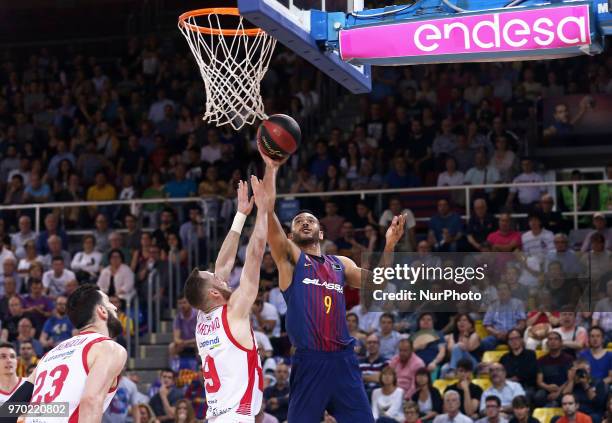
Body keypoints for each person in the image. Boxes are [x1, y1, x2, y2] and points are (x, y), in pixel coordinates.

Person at [260, 149, 406, 423]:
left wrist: (389, 246)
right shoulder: (290, 260)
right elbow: (268, 212)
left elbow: (378, 283)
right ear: (290, 235)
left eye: (310, 220)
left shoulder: (340, 263)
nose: (305, 222)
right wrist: (272, 168)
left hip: (343, 362)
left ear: (321, 232)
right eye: (298, 221)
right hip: (310, 362)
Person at [184, 178, 268, 422]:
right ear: (213, 293)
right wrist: (263, 212)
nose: (221, 277)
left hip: (217, 415)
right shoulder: (234, 312)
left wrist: (240, 215)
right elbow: (254, 255)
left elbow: (223, 264)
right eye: (215, 279)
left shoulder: (203, 316)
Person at [15, 284, 127, 422]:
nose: (115, 308)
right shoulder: (107, 347)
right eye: (110, 303)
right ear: (102, 311)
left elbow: (10, 408)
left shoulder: (49, 355)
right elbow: (91, 401)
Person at [535, 332, 574, 407]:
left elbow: (570, 379)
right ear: (547, 343)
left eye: (556, 339)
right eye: (550, 339)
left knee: (562, 398)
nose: (553, 341)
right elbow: (539, 381)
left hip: (563, 389)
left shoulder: (569, 359)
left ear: (561, 342)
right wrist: (547, 387)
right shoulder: (541, 360)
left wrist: (558, 392)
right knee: (538, 396)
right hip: (547, 389)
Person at [562, 359, 607, 423]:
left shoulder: (598, 382)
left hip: (591, 413)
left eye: (584, 370)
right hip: (573, 414)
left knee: (595, 417)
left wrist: (585, 384)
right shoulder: (571, 383)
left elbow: (598, 403)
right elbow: (563, 399)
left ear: (589, 370)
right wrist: (571, 381)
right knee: (556, 418)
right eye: (579, 370)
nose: (581, 373)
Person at [499, 329, 538, 396]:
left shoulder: (530, 354)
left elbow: (531, 373)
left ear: (521, 339)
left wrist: (516, 378)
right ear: (508, 342)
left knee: (524, 395)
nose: (514, 341)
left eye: (516, 338)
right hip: (509, 386)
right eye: (511, 339)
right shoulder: (504, 358)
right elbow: (500, 373)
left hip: (526, 386)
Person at [168, 295, 197, 370]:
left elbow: (201, 336)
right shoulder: (178, 318)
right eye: (180, 303)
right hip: (184, 344)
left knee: (199, 343)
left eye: (184, 303)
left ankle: (200, 364)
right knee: (172, 346)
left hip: (196, 342)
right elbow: (176, 339)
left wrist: (186, 342)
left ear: (190, 303)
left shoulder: (198, 315)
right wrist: (183, 343)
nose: (182, 305)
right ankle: (174, 369)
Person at [361, 333, 388, 400]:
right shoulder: (359, 363)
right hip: (362, 394)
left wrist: (363, 377)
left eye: (375, 342)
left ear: (379, 345)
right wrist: (375, 376)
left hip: (380, 395)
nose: (372, 345)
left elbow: (383, 379)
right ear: (366, 345)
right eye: (369, 343)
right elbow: (355, 378)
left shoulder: (386, 362)